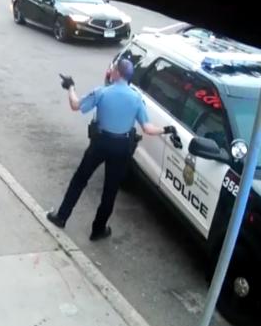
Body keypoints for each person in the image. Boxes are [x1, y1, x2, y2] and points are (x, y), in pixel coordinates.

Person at [47, 59, 176, 241]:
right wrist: (167, 129)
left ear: (117, 73)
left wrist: (70, 87)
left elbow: (75, 105)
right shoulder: (136, 98)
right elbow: (147, 128)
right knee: (110, 190)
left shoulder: (102, 92)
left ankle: (61, 217)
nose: (111, 72)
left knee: (80, 179)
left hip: (100, 143)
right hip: (121, 147)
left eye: (114, 70)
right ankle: (98, 230)